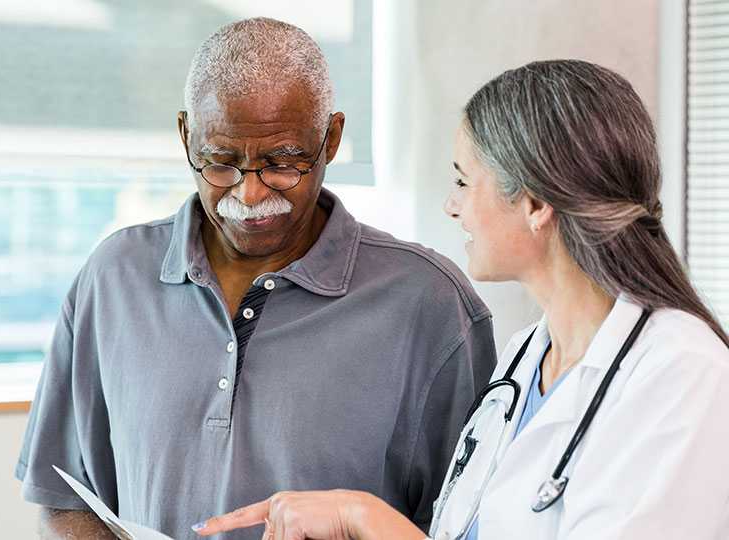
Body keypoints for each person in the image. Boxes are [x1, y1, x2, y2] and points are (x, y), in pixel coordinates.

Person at [194, 59, 729, 540]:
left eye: (463, 181)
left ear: (535, 202)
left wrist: (368, 519)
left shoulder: (682, 373)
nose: (453, 207)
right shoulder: (527, 359)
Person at [14, 17, 496, 540]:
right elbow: (65, 500)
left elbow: (471, 526)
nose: (248, 194)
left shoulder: (430, 305)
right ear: (185, 138)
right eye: (220, 162)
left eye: (283, 161)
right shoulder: (113, 277)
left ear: (331, 138)